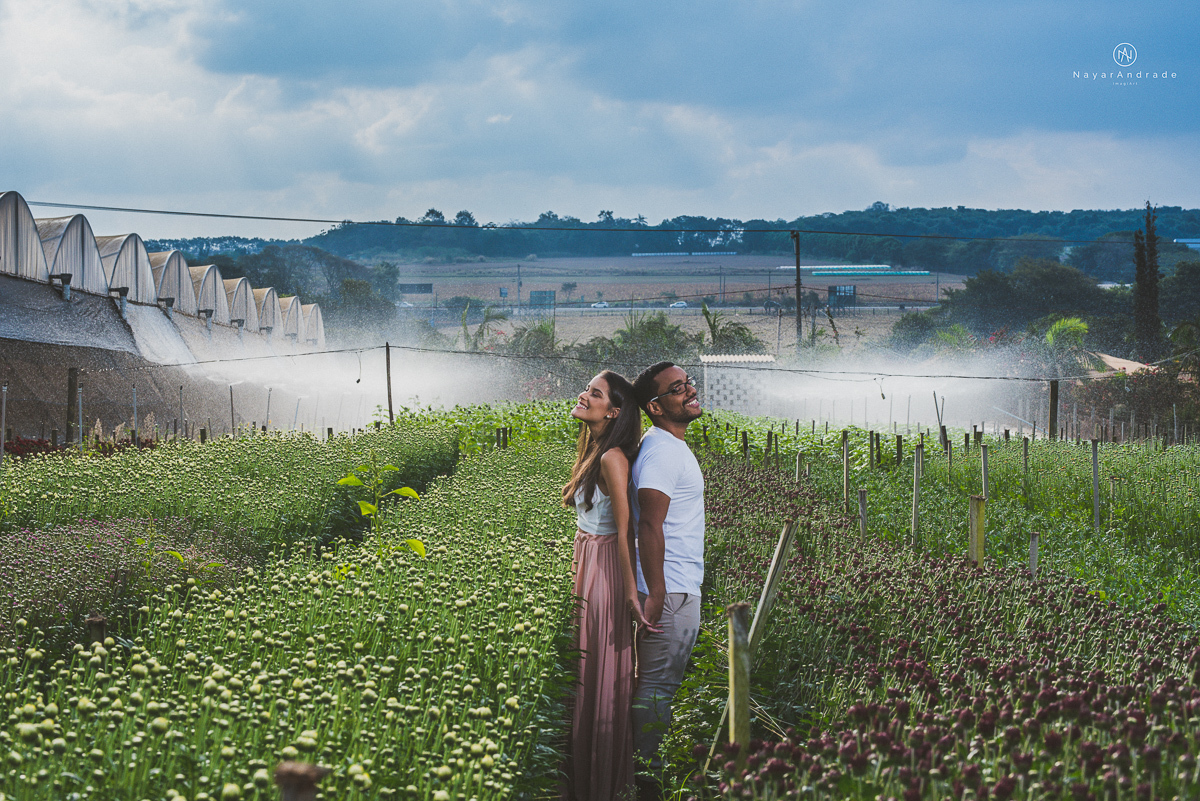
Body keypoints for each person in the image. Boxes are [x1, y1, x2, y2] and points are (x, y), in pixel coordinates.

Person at [564, 370, 658, 801]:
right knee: (585, 669)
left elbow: (626, 531)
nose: (585, 395)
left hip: (603, 567)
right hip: (589, 560)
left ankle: (601, 785)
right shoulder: (596, 449)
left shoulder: (612, 458)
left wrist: (628, 593)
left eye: (595, 393)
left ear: (614, 411)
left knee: (596, 670)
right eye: (588, 389)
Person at [629, 361, 705, 790]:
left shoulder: (667, 444)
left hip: (676, 585)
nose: (689, 391)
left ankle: (646, 775)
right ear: (656, 406)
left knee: (661, 687)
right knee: (657, 690)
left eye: (688, 381)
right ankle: (647, 784)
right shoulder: (660, 451)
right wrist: (656, 591)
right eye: (678, 388)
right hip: (671, 590)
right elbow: (648, 524)